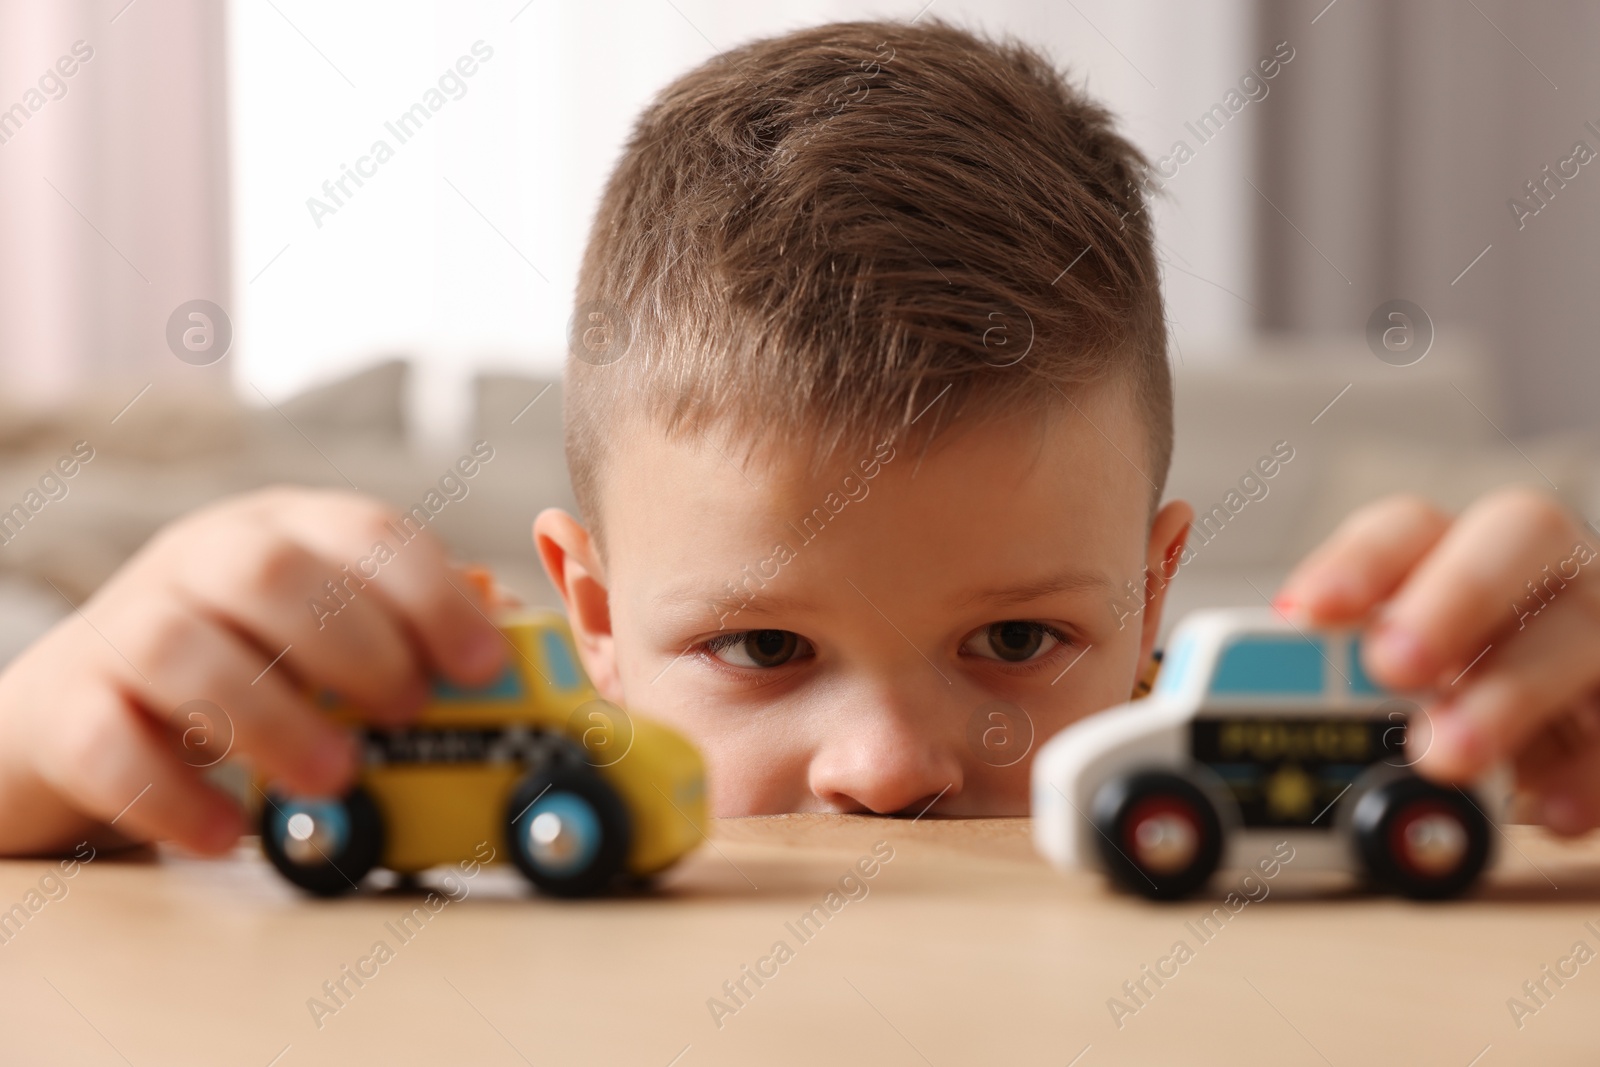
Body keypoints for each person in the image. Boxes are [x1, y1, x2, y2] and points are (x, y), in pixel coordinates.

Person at [0, 20, 1594, 857]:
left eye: (1019, 638)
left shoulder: (1257, 831)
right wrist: (39, 746)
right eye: (762, 646)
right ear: (598, 620)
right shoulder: (495, 849)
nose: (890, 770)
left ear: (1157, 599)